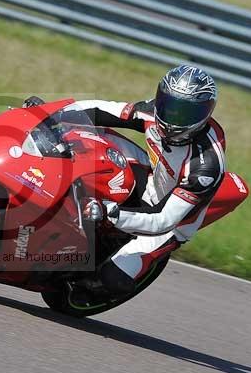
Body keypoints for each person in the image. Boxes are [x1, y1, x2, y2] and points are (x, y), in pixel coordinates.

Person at [65, 65, 226, 298]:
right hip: (154, 177)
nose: (173, 117)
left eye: (185, 113)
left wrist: (111, 213)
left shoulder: (205, 167)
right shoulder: (153, 111)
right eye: (169, 106)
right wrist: (54, 112)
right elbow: (104, 109)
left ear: (205, 114)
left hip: (169, 223)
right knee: (82, 137)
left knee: (110, 280)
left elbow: (163, 219)